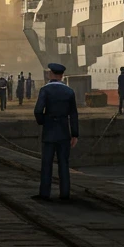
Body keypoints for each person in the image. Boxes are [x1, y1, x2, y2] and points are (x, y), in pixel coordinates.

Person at [33, 63, 80, 202]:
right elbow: (74, 114)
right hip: (64, 132)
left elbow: (37, 111)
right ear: (62, 76)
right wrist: (75, 134)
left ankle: (44, 193)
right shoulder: (69, 91)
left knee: (46, 164)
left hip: (49, 132)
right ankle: (65, 194)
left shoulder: (45, 90)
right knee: (64, 164)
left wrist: (43, 122)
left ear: (51, 74)